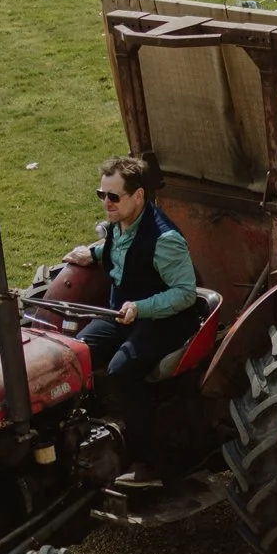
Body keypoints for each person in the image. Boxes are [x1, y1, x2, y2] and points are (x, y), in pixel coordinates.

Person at [78, 154, 201, 397]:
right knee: (75, 354)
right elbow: (123, 249)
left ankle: (138, 432)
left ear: (139, 196)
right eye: (101, 195)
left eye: (113, 197)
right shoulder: (120, 220)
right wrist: (94, 253)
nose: (106, 203)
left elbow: (186, 293)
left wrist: (139, 308)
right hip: (121, 315)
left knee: (120, 373)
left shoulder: (165, 240)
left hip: (163, 323)